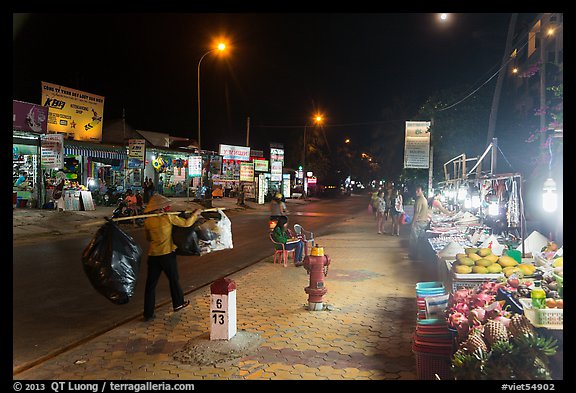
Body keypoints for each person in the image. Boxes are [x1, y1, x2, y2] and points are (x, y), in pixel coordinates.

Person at [142, 194, 202, 321]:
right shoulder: (168, 218)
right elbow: (186, 223)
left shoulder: (147, 221)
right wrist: (195, 214)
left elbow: (148, 238)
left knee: (150, 285)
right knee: (173, 280)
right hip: (167, 254)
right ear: (162, 208)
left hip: (153, 255)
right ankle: (178, 303)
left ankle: (148, 313)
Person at [409, 185, 430, 260]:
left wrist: (412, 223)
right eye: (416, 190)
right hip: (423, 222)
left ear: (422, 191)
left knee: (414, 240)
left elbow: (416, 213)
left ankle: (414, 255)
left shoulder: (420, 200)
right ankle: (419, 255)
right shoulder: (424, 199)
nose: (416, 192)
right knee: (420, 240)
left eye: (418, 190)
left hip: (418, 222)